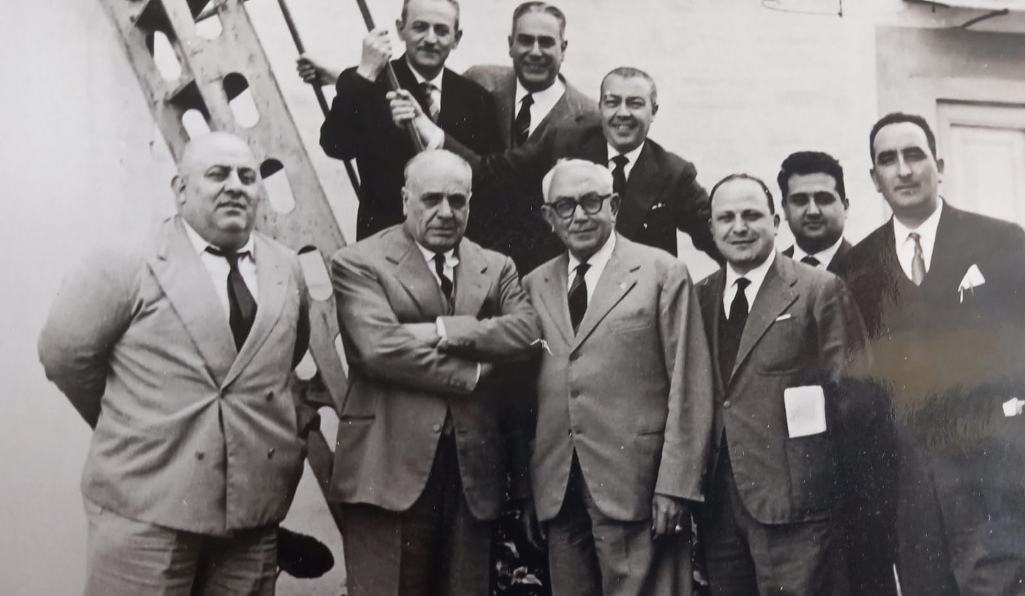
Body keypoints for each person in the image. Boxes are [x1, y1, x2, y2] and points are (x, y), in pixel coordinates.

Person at [37, 132, 312, 595]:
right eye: (217, 174)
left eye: (247, 177)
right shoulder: (127, 260)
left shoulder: (286, 267)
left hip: (251, 515)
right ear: (181, 189)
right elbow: (64, 356)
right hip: (148, 510)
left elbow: (281, 359)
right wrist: (135, 421)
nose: (235, 186)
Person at [329, 149, 541, 596]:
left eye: (457, 200)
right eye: (431, 199)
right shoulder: (359, 262)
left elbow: (526, 333)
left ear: (470, 203)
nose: (446, 212)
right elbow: (378, 350)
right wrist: (477, 370)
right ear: (406, 199)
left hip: (472, 473)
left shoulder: (495, 266)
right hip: (386, 468)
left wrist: (443, 330)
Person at [834, 112, 1025, 596]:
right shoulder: (857, 266)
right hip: (909, 483)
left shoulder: (1001, 240)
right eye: (888, 160)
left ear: (939, 166)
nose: (903, 170)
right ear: (874, 178)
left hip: (992, 471)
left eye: (914, 155)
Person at [521, 159, 714, 596]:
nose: (579, 216)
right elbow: (527, 395)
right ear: (549, 216)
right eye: (565, 206)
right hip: (560, 488)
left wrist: (676, 485)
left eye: (591, 202)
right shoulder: (535, 284)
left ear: (614, 205)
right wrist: (532, 487)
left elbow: (690, 385)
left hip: (639, 488)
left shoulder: (661, 272)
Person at [695, 173, 867, 596]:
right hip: (721, 508)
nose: (739, 227)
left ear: (775, 222)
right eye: (727, 218)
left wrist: (820, 485)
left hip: (798, 507)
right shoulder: (699, 297)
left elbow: (854, 396)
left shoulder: (818, 289)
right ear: (712, 228)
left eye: (752, 215)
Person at [391, 66, 722, 273]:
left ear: (654, 111)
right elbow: (491, 174)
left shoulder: (674, 173)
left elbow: (718, 235)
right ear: (600, 108)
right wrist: (430, 131)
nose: (623, 113)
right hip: (562, 297)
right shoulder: (565, 141)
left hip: (634, 308)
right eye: (612, 102)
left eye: (635, 103)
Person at [317, 0, 502, 240]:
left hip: (452, 242)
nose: (430, 39)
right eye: (420, 27)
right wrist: (366, 72)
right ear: (400, 29)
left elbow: (490, 181)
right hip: (385, 240)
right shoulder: (368, 80)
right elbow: (334, 145)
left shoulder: (477, 98)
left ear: (456, 38)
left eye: (441, 30)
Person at [462, 2, 599, 149]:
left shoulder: (590, 116)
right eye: (525, 41)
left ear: (563, 49)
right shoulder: (478, 82)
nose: (535, 52)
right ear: (511, 45)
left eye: (546, 42)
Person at [777, 150, 852, 271]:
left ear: (845, 207)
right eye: (800, 201)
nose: (812, 211)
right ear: (785, 209)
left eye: (824, 199)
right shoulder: (769, 272)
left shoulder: (871, 268)